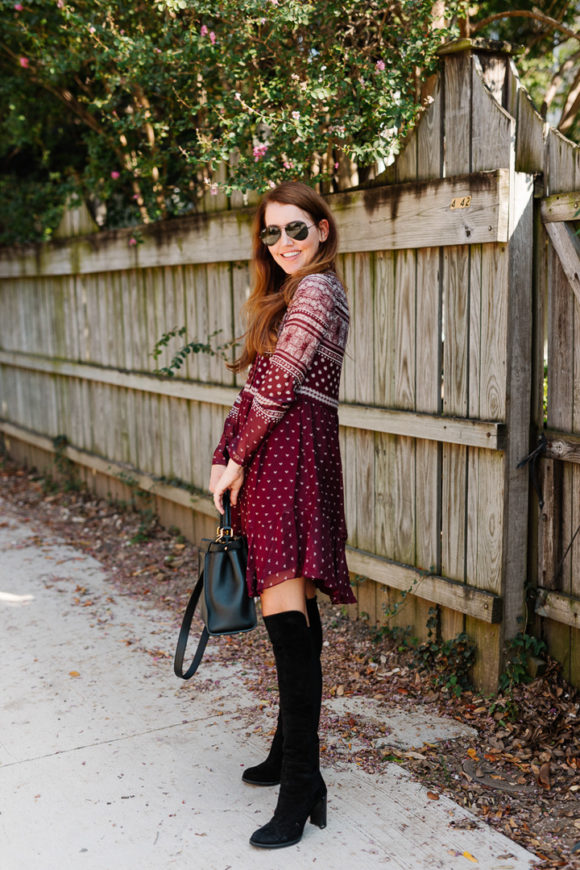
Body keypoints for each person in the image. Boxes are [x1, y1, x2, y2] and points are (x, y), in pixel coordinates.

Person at [209, 180, 356, 849]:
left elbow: (280, 382)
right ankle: (291, 758)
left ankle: (301, 785)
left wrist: (236, 454)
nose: (285, 244)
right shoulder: (287, 294)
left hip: (290, 458)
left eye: (296, 229)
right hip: (277, 456)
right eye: (272, 233)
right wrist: (225, 454)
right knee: (291, 615)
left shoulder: (319, 289)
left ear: (322, 230)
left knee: (286, 621)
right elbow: (253, 387)